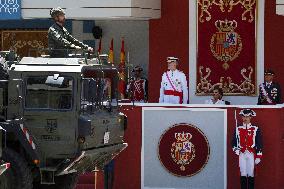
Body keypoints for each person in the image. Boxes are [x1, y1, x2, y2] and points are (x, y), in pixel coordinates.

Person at [232, 109, 263, 189]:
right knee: (243, 172)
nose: (245, 118)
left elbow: (259, 142)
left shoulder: (255, 129)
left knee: (251, 173)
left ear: (251, 117)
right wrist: (236, 150)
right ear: (242, 118)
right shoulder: (237, 129)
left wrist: (259, 156)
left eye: (247, 117)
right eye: (244, 117)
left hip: (251, 154)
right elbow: (233, 142)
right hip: (242, 153)